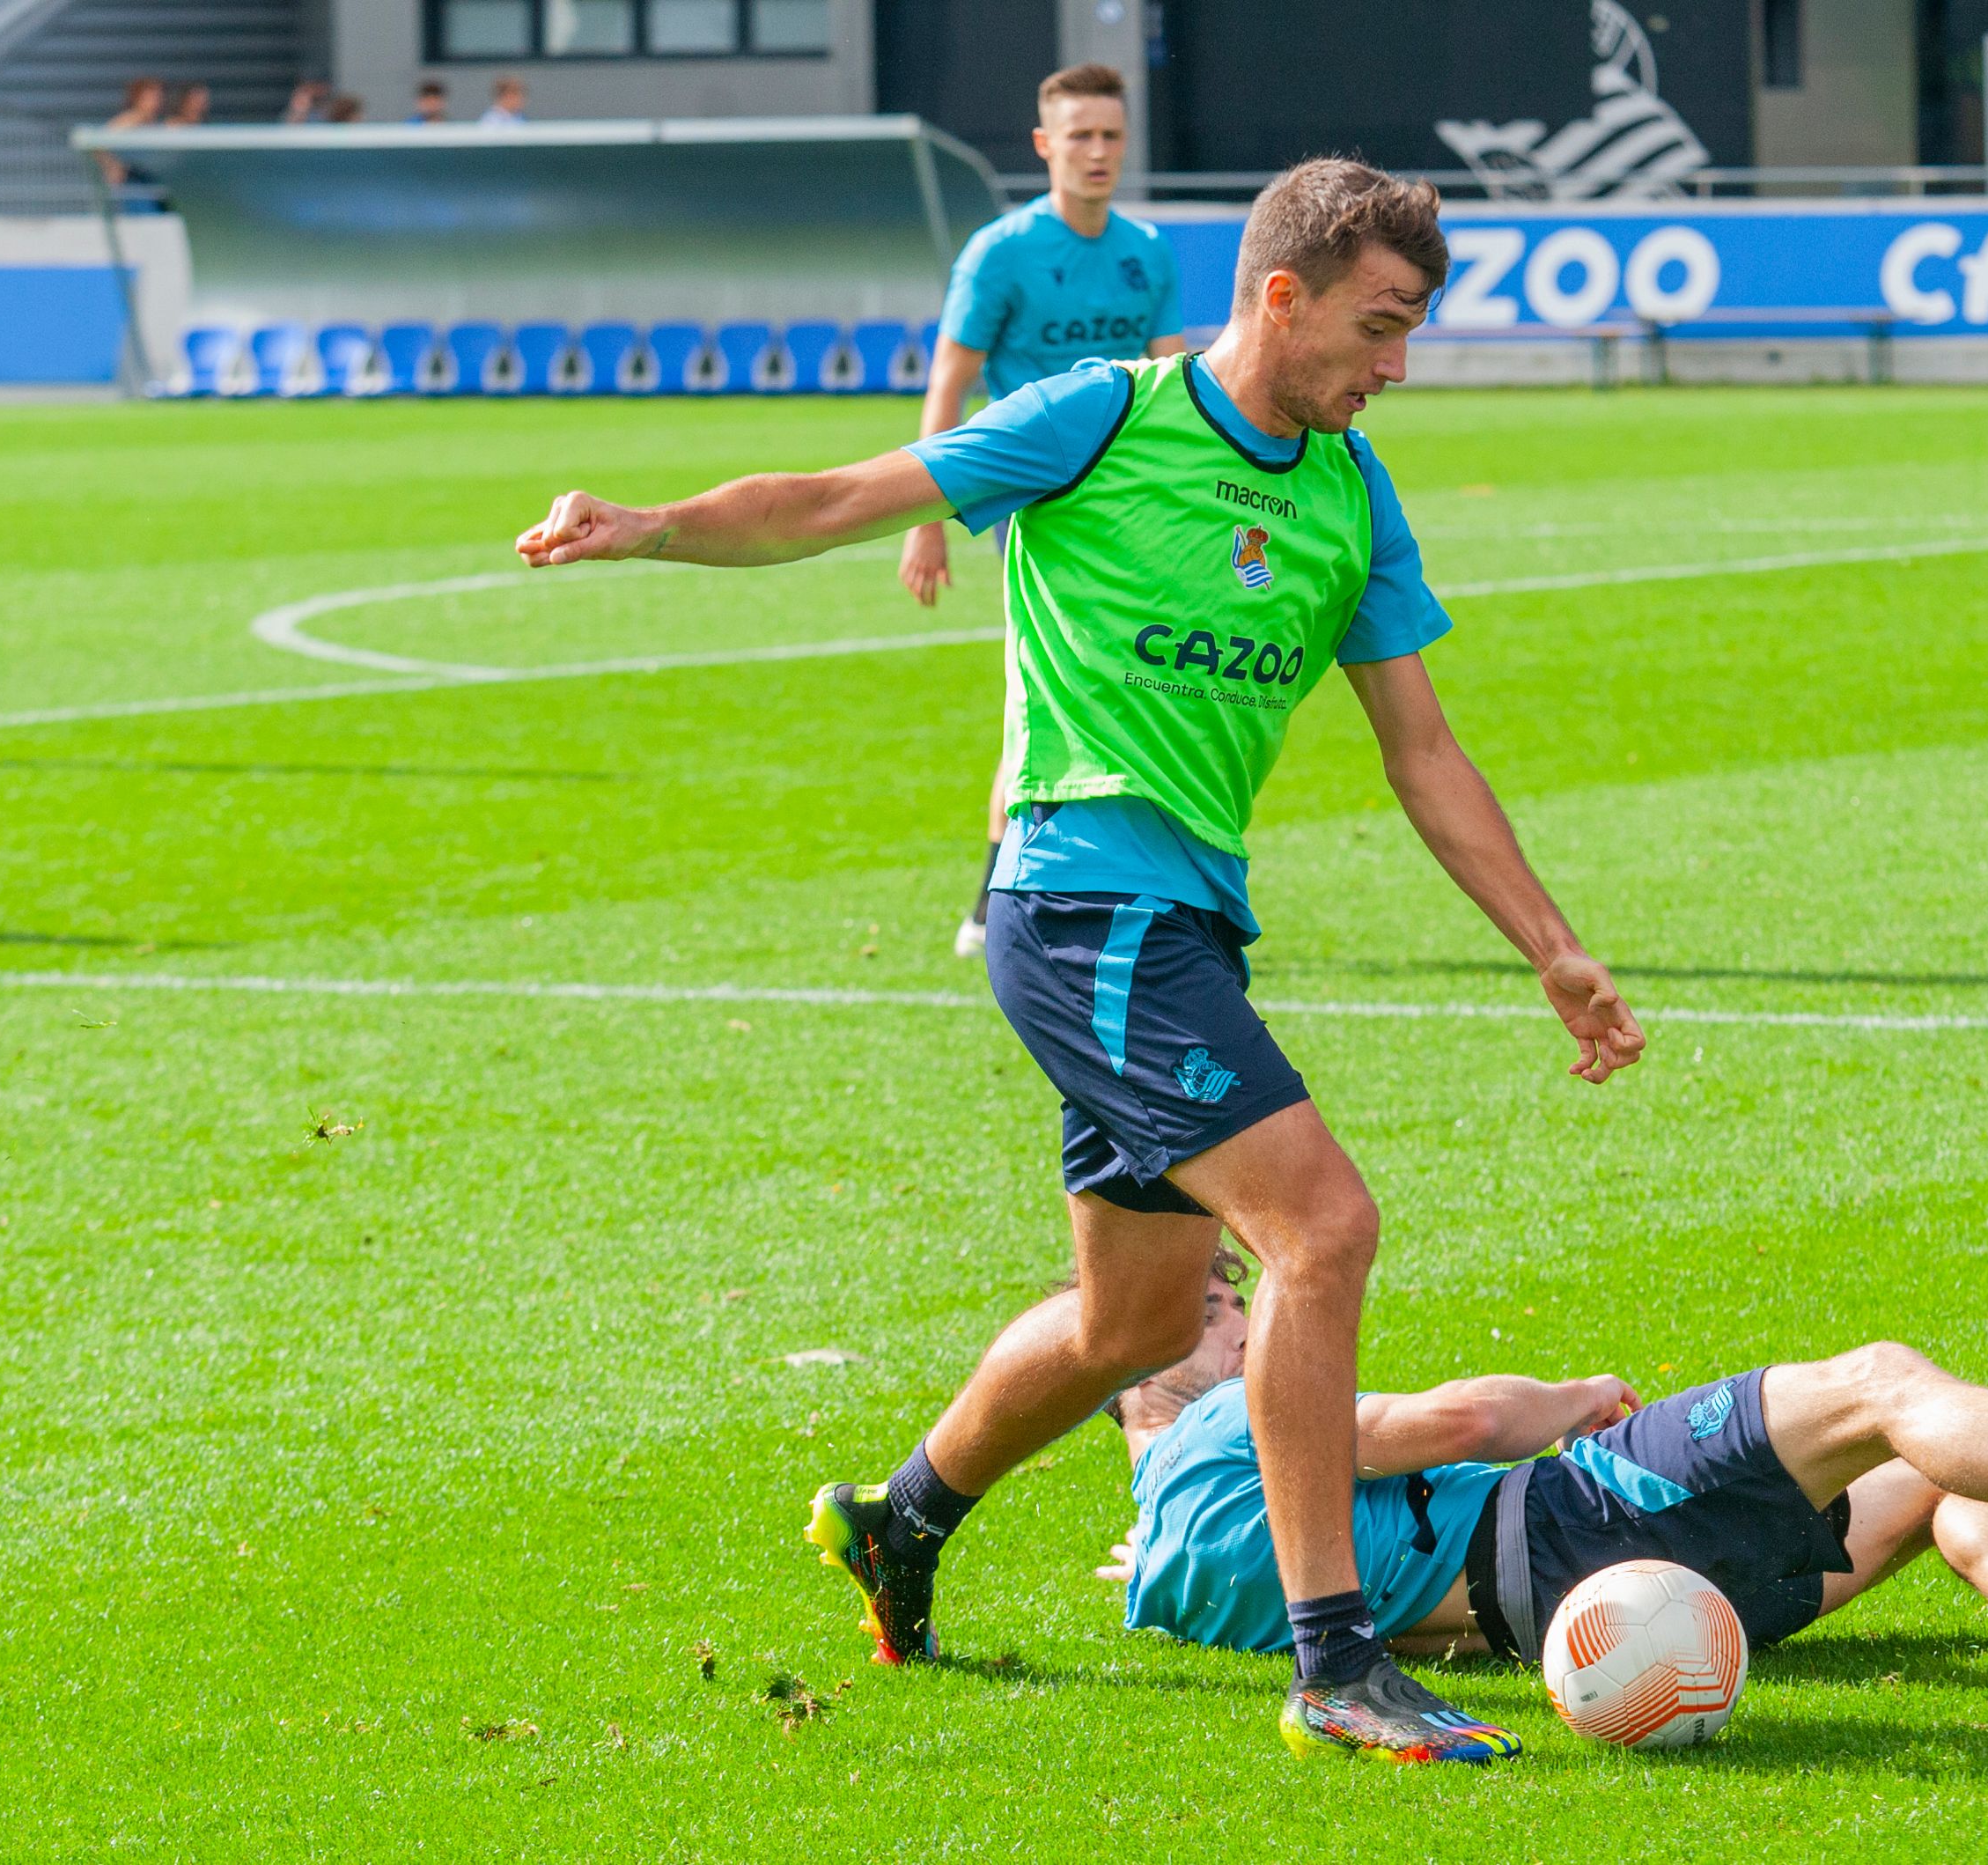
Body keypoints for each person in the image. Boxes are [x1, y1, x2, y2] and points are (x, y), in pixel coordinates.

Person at [512, 157, 1647, 1765]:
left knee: (1132, 1322)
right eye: (1380, 328)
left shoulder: (1348, 492)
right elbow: (845, 497)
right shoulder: (1100, 420)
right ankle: (1335, 1656)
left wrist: (1554, 946)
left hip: (1182, 922)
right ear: (1281, 294)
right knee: (1323, 1226)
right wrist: (645, 527)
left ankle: (899, 1518)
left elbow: (1423, 750)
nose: (1396, 367)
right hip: (1075, 899)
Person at [1103, 1266, 1988, 1733]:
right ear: (1166, 1358)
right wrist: (1573, 1392)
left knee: (1911, 1476)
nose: (1251, 1319)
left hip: (1585, 1628)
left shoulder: (1160, 1574)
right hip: (1578, 1518)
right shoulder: (1239, 1411)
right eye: (1220, 1302)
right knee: (1880, 1384)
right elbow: (1450, 1424)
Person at [898, 62, 1185, 960]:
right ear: (1044, 145)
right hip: (1039, 502)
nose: (1097, 152)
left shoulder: (1147, 249)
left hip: (1134, 507)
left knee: (1130, 685)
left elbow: (1174, 383)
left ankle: (1095, 887)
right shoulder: (1001, 252)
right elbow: (949, 383)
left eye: (1111, 136)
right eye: (1080, 137)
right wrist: (925, 517)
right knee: (1061, 687)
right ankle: (1000, 898)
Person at [96, 77, 162, 188]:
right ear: (137, 99)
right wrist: (112, 166)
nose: (156, 103)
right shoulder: (132, 119)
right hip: (131, 180)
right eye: (151, 98)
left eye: (158, 97)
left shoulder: (151, 123)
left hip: (146, 176)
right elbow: (99, 143)